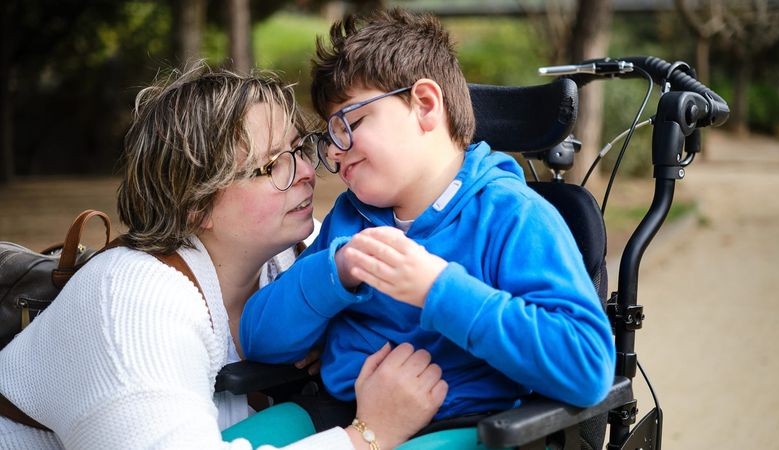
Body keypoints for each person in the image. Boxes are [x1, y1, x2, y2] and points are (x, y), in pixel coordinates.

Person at [0, 63, 447, 450]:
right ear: (196, 203)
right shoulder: (133, 303)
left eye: (299, 149)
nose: (309, 172)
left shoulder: (292, 255)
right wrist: (368, 434)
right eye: (272, 165)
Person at [239, 7, 615, 428]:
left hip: (462, 427)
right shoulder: (350, 220)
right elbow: (258, 340)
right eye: (329, 134)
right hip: (338, 415)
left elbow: (588, 366)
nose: (331, 150)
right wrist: (335, 275)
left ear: (425, 104)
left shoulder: (512, 217)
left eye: (349, 121)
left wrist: (437, 288)